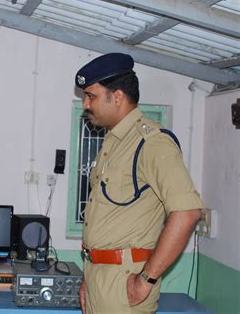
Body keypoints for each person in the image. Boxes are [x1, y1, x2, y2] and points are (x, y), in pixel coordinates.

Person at [74, 53, 203, 314]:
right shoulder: (112, 143)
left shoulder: (152, 143)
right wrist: (91, 277)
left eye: (91, 95)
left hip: (125, 285)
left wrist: (146, 280)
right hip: (99, 277)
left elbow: (188, 212)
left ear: (117, 96)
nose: (86, 104)